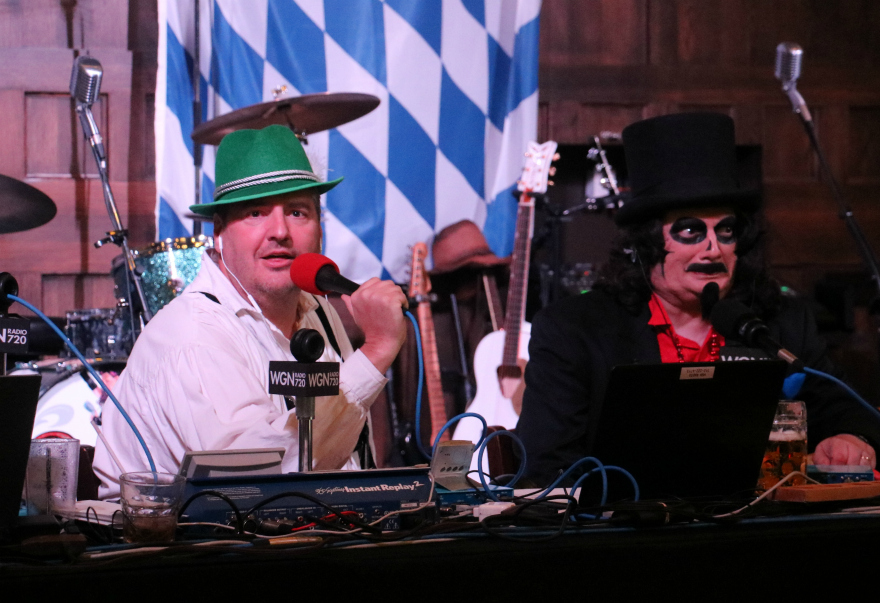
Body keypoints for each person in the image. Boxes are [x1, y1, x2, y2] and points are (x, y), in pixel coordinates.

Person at [517, 112, 880, 485]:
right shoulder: (574, 330)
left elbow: (853, 412)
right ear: (647, 242)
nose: (713, 248)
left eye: (726, 230)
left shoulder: (779, 323)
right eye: (691, 230)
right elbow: (545, 464)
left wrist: (853, 439)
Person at [93, 125, 407, 498]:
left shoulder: (319, 311)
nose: (280, 231)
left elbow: (342, 461)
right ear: (219, 232)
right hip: (176, 533)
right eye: (256, 212)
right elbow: (255, 483)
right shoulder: (193, 334)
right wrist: (375, 353)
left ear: (320, 229)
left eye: (297, 212)